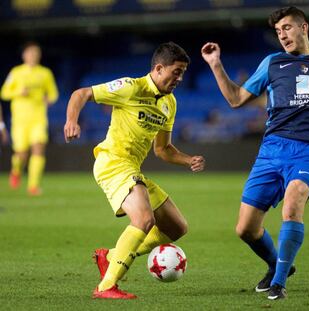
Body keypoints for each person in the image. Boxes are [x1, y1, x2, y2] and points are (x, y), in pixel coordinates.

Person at [201, 6, 309, 300]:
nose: (282, 35)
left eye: (287, 28)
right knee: (245, 228)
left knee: (293, 202)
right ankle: (279, 266)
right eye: (278, 31)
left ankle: (278, 283)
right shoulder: (272, 63)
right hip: (272, 149)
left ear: (304, 28)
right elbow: (236, 99)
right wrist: (215, 64)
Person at [64, 42, 205, 300]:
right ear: (159, 68)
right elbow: (81, 94)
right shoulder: (130, 87)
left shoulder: (169, 104)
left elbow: (162, 149)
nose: (180, 78)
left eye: (183, 73)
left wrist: (188, 160)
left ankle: (112, 255)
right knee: (144, 220)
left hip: (132, 169)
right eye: (176, 72)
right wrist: (72, 120)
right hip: (113, 163)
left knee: (176, 228)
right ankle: (106, 287)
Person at [0, 42, 59, 195]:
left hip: (38, 118)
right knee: (21, 153)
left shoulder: (45, 73)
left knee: (38, 148)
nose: (33, 56)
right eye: (30, 53)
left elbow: (53, 93)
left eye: (36, 53)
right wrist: (19, 92)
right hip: (20, 119)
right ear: (24, 55)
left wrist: (49, 99)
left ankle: (33, 186)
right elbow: (4, 92)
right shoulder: (16, 72)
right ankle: (16, 171)